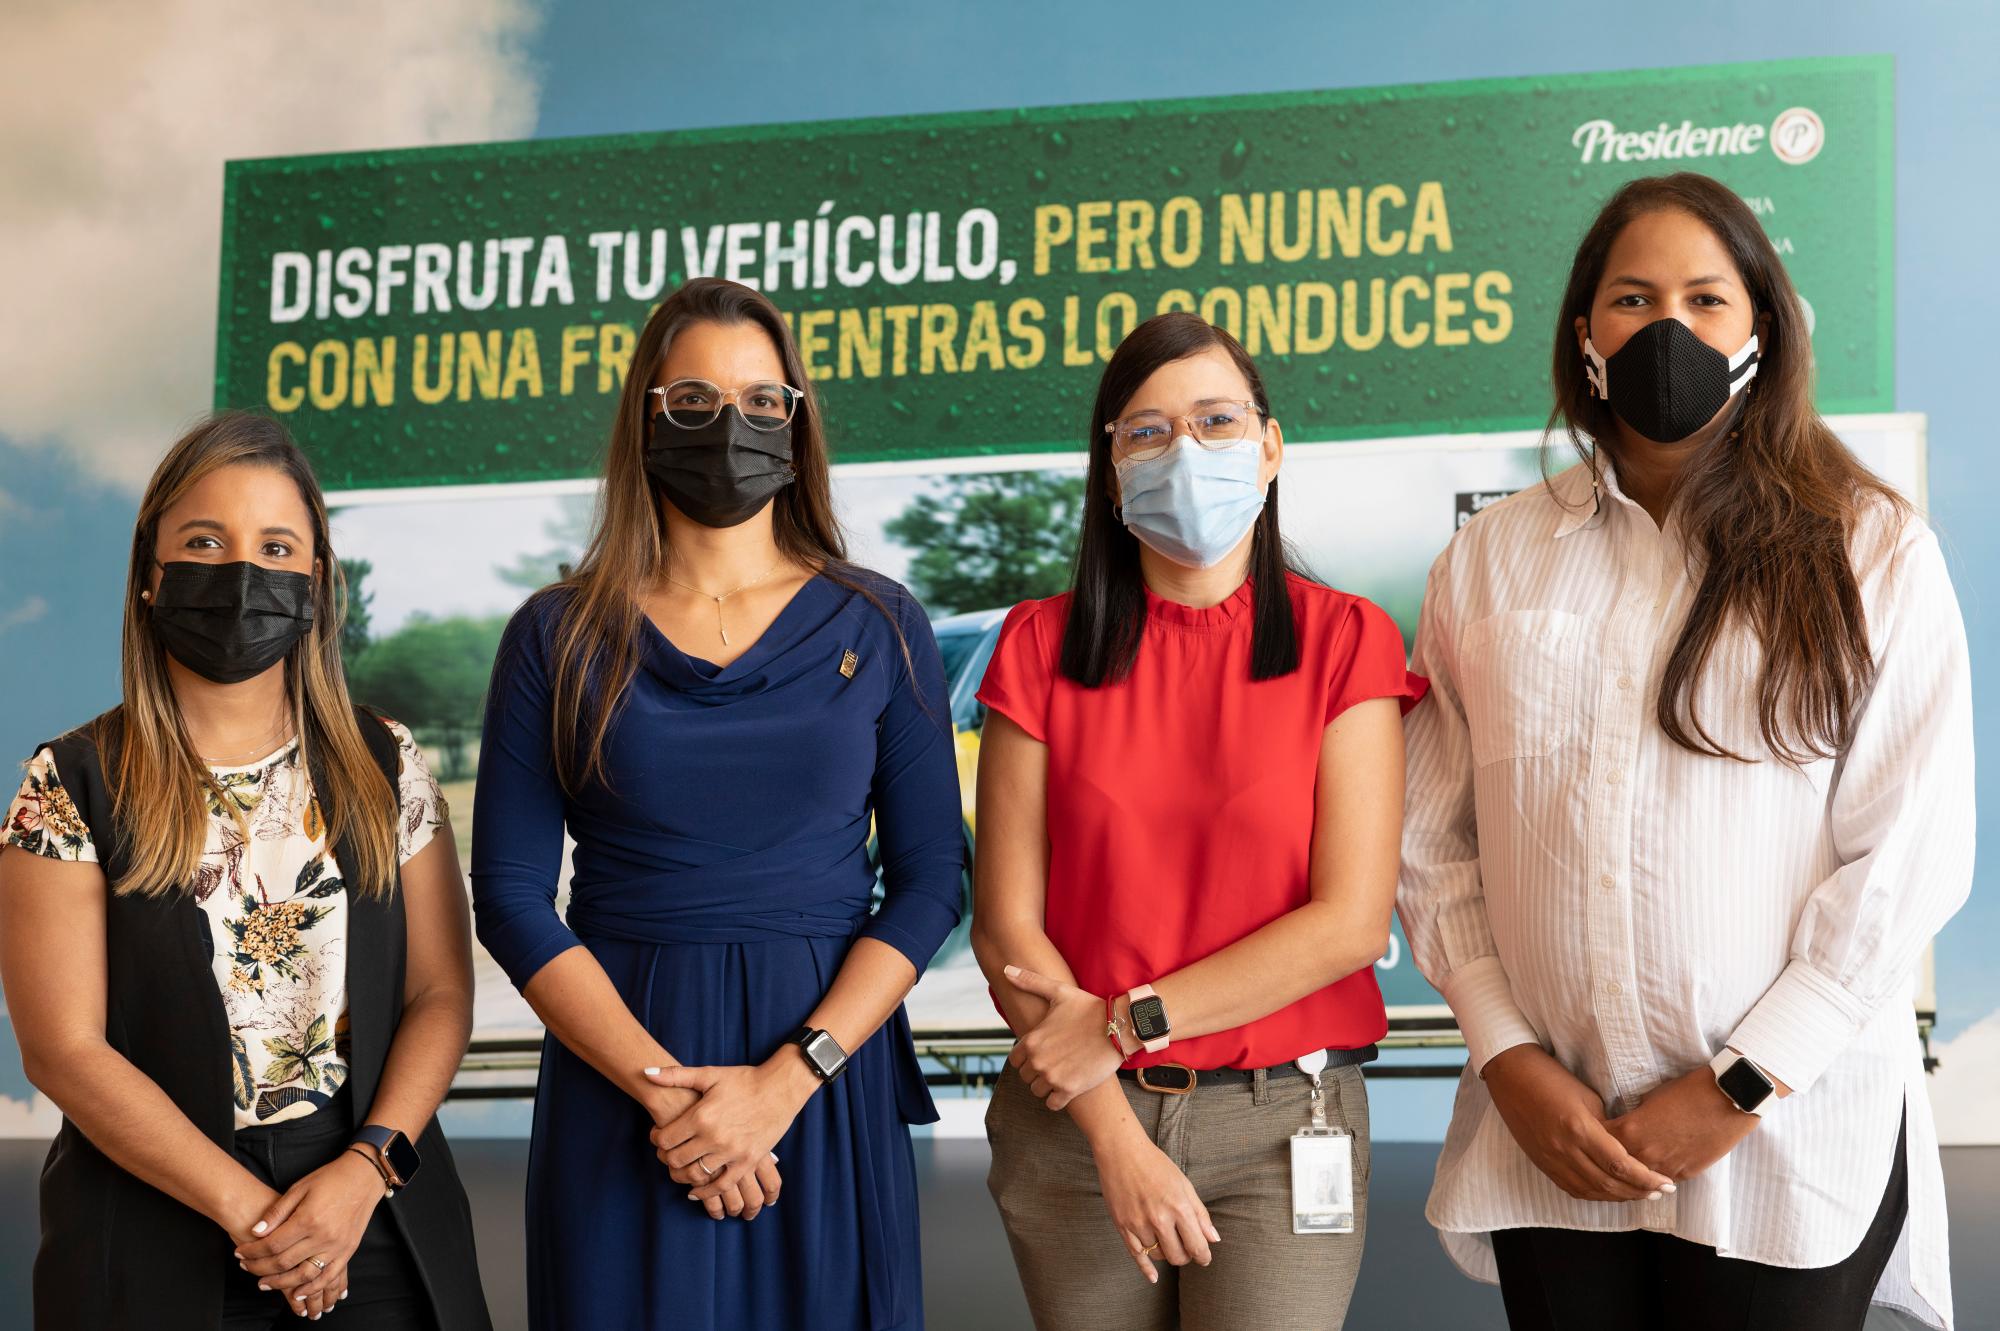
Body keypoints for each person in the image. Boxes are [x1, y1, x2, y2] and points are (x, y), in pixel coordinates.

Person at [1398, 172, 1973, 1331]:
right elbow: (1431, 840)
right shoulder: (1487, 559)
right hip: (1551, 1140)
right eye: (1632, 298)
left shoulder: (1869, 548)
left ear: (1761, 329)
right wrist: (1505, 1056)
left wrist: (1736, 1085)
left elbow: (1906, 856)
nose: (1668, 328)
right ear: (1584, 335)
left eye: (1705, 299)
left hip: (1783, 1140)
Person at [470, 277, 965, 1331]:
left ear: (795, 421)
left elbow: (930, 882)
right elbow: (510, 895)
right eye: (691, 400)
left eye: (759, 399)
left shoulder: (880, 621)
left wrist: (786, 1082)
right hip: (623, 1081)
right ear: (645, 419)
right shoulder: (555, 633)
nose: (727, 424)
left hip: (822, 1080)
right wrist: (668, 1096)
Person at [972, 311, 1426, 1330]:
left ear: (1269, 446)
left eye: (1217, 420)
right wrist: (1113, 1132)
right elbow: (1005, 928)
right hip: (1077, 1122)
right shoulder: (1037, 645)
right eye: (1147, 431)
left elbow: (1349, 923)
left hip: (1283, 1121)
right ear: (1109, 472)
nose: (1186, 450)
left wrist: (1123, 1024)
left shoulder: (1346, 638)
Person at [0, 411, 490, 1330]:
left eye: (275, 546)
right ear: (149, 575)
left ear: (316, 581)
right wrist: (256, 1216)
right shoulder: (67, 781)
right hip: (147, 1219)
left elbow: (439, 994)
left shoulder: (386, 761)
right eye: (204, 542)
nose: (241, 573)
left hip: (372, 1211)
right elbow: (63, 1048)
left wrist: (363, 1171)